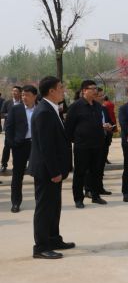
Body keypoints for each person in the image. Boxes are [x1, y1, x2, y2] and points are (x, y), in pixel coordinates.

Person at [29, 76, 74, 259]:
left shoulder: (51, 109)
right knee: (45, 208)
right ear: (51, 91)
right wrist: (54, 171)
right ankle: (41, 247)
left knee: (54, 207)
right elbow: (46, 146)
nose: (63, 90)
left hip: (53, 169)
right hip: (47, 170)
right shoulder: (44, 112)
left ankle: (54, 239)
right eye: (61, 87)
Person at [65, 80, 109, 208]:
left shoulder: (97, 106)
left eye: (96, 88)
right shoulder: (75, 106)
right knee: (80, 173)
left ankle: (95, 196)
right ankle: (78, 199)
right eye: (93, 88)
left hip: (98, 145)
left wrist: (103, 127)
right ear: (84, 90)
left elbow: (96, 124)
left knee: (96, 171)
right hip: (82, 146)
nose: (95, 91)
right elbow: (68, 128)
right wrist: (77, 140)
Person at [5, 85, 37, 213]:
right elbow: (9, 128)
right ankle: (16, 202)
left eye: (27, 95)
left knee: (38, 174)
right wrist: (12, 143)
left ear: (34, 96)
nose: (24, 97)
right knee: (17, 176)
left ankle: (39, 201)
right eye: (23, 95)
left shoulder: (40, 109)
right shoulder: (16, 109)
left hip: (36, 145)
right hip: (20, 145)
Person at [90, 87, 114, 196]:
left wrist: (109, 125)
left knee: (100, 167)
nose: (102, 98)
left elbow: (109, 120)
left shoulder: (103, 108)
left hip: (104, 141)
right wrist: (101, 126)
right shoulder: (90, 109)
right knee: (92, 168)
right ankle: (89, 189)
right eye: (99, 96)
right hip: (93, 142)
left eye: (102, 95)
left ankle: (99, 187)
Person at [1, 86, 22, 172]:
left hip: (20, 129)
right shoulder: (7, 102)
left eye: (16, 91)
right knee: (7, 147)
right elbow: (2, 113)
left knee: (18, 147)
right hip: (9, 128)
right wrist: (11, 115)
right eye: (13, 91)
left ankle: (17, 165)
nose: (14, 93)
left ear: (20, 93)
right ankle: (4, 164)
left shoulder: (23, 103)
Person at [103, 94, 116, 165]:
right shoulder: (110, 104)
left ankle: (104, 159)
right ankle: (105, 158)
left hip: (107, 126)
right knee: (107, 144)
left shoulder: (104, 106)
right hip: (110, 124)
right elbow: (112, 114)